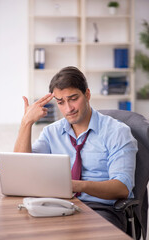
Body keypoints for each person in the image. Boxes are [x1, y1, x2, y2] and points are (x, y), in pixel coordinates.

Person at [14, 66, 137, 232]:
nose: (68, 108)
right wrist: (26, 123)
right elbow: (21, 168)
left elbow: (122, 187)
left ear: (87, 94)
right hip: (59, 206)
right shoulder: (52, 132)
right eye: (61, 102)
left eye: (73, 99)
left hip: (101, 209)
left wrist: (78, 186)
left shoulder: (117, 132)